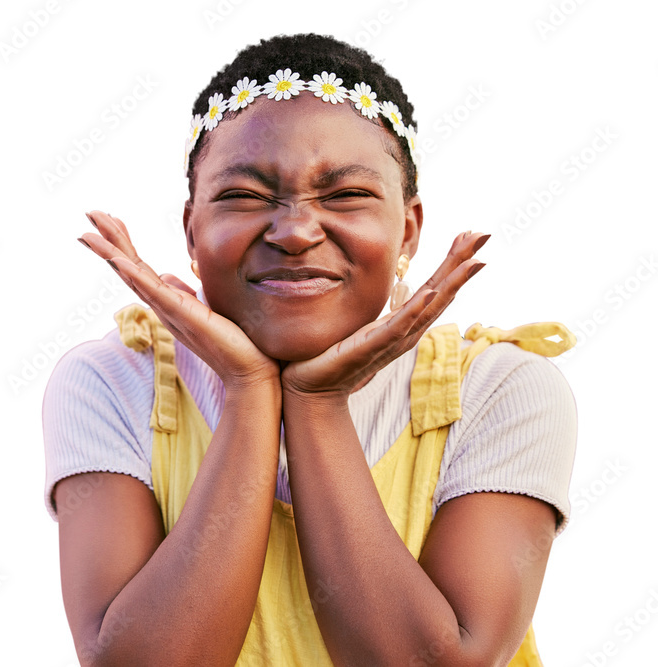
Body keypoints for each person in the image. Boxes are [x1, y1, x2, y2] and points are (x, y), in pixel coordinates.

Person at [43, 33, 577, 666]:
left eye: (345, 195)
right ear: (192, 229)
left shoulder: (500, 389)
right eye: (244, 196)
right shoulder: (113, 381)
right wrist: (248, 394)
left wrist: (316, 403)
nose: (295, 231)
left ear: (406, 230)